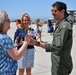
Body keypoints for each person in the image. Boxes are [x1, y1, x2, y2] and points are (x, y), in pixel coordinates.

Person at [29, 1, 73, 75]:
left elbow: (56, 46)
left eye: (54, 11)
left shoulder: (64, 27)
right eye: (51, 11)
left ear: (62, 11)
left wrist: (37, 43)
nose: (52, 13)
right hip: (58, 62)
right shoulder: (60, 24)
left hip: (61, 64)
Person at [0, 10, 31, 75]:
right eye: (8, 19)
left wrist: (14, 45)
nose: (10, 21)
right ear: (2, 23)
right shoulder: (5, 38)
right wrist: (26, 42)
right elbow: (16, 56)